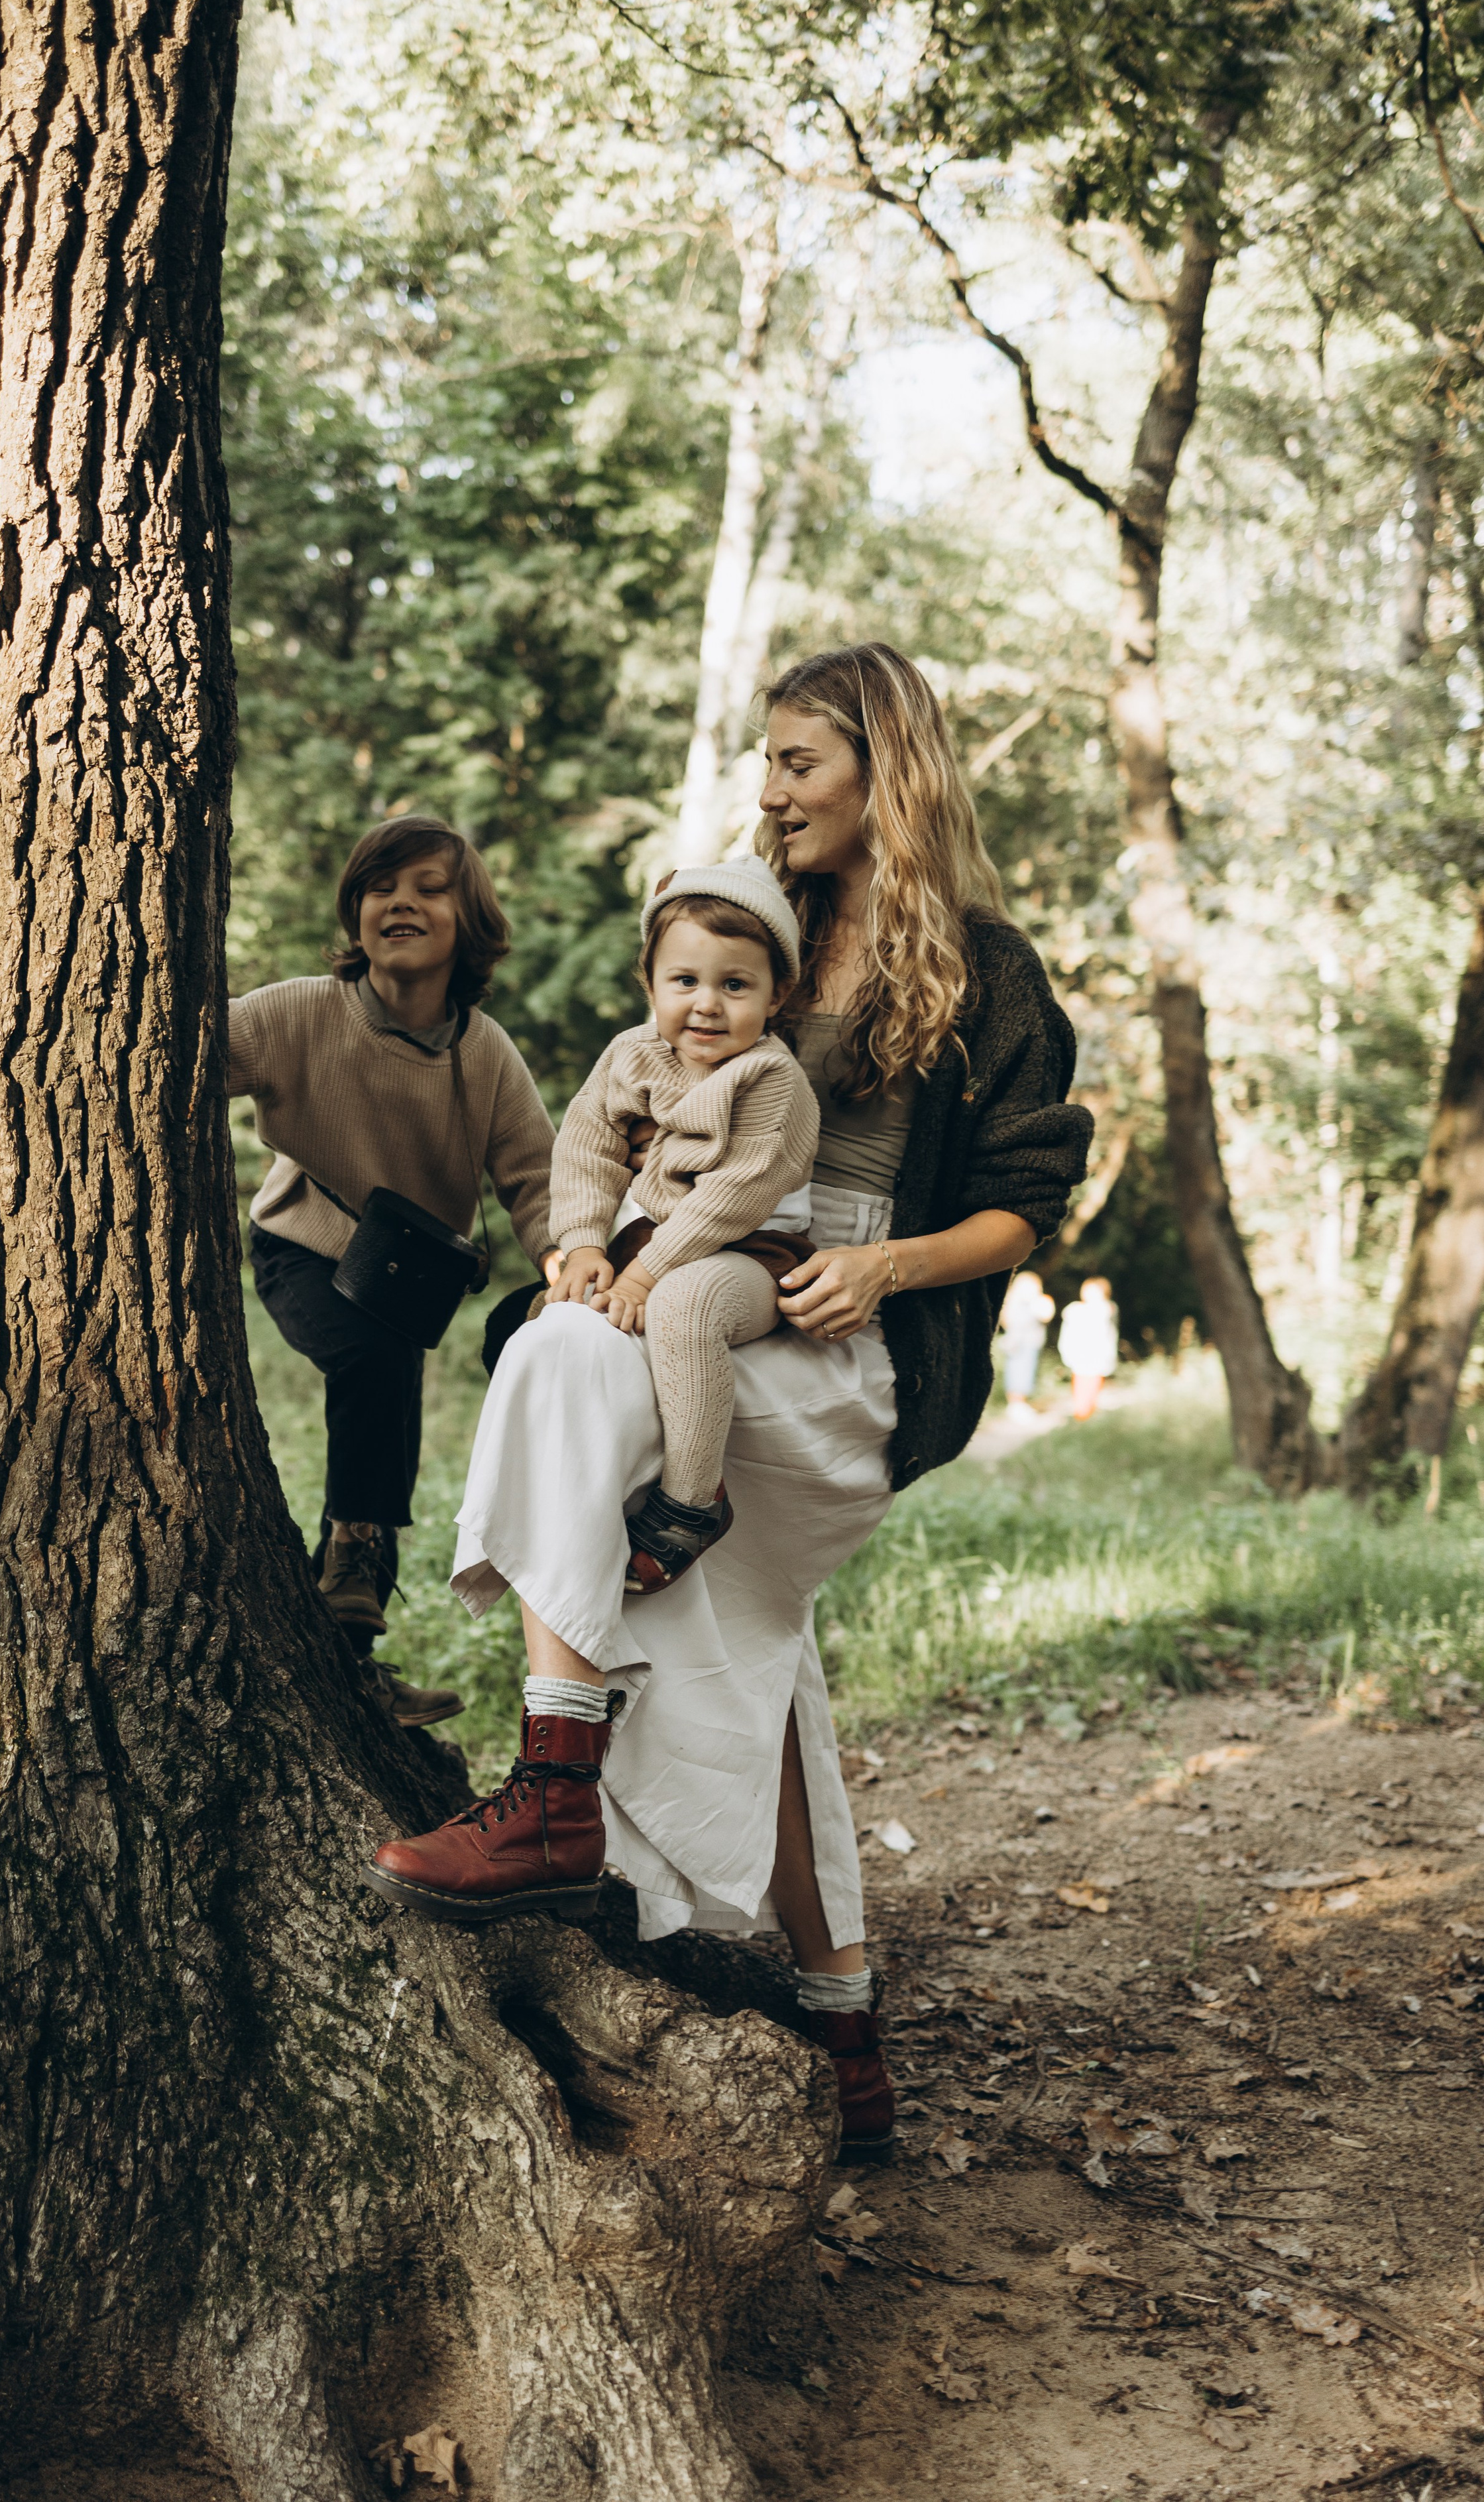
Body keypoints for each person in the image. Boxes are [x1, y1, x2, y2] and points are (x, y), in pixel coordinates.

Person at [363, 644, 1094, 2155]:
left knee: (567, 1371)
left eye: (795, 762)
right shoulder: (749, 927)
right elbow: (629, 1096)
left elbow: (1022, 1208)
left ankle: (557, 1788)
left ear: (881, 770)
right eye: (764, 761)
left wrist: (883, 1267)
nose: (768, 788)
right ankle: (843, 2031)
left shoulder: (983, 965)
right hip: (695, 1294)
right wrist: (593, 1236)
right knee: (753, 1643)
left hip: (851, 1351)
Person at [227, 813, 555, 1724]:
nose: (400, 901)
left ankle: (352, 1656)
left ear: (471, 922)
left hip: (403, 1282)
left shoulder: (483, 1054)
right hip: (300, 1246)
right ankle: (359, 1552)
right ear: (356, 911)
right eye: (381, 886)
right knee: (375, 1360)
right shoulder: (299, 1012)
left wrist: (571, 1261)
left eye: (429, 886)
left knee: (391, 1361)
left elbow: (535, 1177)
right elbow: (183, 1049)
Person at [545, 859, 819, 1594]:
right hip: (650, 1242)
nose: (706, 1005)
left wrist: (642, 1274)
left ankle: (692, 1501)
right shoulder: (632, 1054)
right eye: (685, 981)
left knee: (684, 1306)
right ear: (650, 983)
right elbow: (587, 1145)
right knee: (556, 1319)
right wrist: (581, 1244)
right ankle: (572, 1487)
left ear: (777, 994)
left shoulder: (770, 1078)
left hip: (754, 1255)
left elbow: (733, 1194)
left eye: (735, 986)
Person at [1058, 1276, 1119, 1421]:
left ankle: (1088, 1414)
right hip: (1079, 1354)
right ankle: (1080, 1414)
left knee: (1093, 1385)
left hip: (1098, 1355)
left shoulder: (1107, 1308)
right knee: (1080, 1383)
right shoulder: (1075, 1308)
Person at [999, 1268, 1055, 1418]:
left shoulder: (1037, 1302)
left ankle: (1019, 1405)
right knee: (1018, 1373)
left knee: (1025, 1373)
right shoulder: (1014, 1302)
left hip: (1029, 1343)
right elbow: (1006, 1321)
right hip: (1018, 1343)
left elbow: (1046, 1315)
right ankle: (1016, 1406)